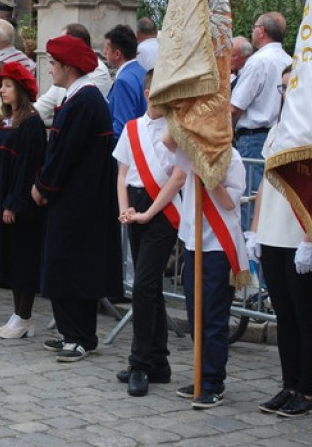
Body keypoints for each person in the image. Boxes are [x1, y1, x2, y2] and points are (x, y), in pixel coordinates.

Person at [31, 34, 121, 362]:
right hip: (76, 198)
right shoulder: (80, 98)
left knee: (69, 265)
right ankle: (74, 331)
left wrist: (42, 185)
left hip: (79, 200)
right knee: (67, 264)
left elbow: (64, 153)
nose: (50, 70)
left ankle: (79, 335)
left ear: (68, 67)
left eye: (54, 64)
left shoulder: (84, 101)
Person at [247, 67, 312, 418]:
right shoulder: (278, 127)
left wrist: (310, 238)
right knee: (284, 315)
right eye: (283, 86)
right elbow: (264, 181)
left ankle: (307, 389)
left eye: (293, 85)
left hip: (299, 233)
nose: (286, 91)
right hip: (272, 231)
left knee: (304, 315)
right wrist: (256, 230)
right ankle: (289, 383)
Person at [113, 70, 187, 397]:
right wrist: (125, 208)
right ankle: (159, 361)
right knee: (150, 286)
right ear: (146, 94)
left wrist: (148, 212)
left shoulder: (177, 130)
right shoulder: (132, 129)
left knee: (143, 285)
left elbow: (178, 179)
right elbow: (122, 174)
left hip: (163, 209)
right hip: (137, 203)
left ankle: (139, 361)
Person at [175, 142, 247, 410]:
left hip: (218, 245)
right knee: (195, 315)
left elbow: (230, 202)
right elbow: (169, 141)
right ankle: (199, 375)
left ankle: (213, 381)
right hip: (195, 243)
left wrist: (207, 176)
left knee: (214, 317)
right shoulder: (191, 153)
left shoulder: (232, 158)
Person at [0, 62, 47, 339]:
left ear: (21, 89)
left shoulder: (31, 124)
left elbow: (29, 168)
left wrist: (13, 202)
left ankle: (25, 315)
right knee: (7, 258)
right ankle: (17, 313)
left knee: (22, 260)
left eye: (8, 86)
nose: (3, 91)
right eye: (1, 85)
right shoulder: (2, 121)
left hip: (17, 205)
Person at [231, 12, 291, 230]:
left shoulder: (257, 62)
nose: (252, 30)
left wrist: (228, 133)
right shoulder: (288, 60)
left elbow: (236, 106)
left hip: (253, 139)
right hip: (278, 136)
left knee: (251, 200)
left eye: (254, 26)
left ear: (262, 31)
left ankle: (252, 258)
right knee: (269, 201)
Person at [34, 24, 112, 127]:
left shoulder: (93, 77)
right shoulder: (66, 77)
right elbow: (43, 106)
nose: (50, 71)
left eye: (63, 43)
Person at [104, 24, 147, 139]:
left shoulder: (123, 81)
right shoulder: (142, 72)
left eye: (107, 49)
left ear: (117, 54)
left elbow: (122, 126)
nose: (104, 52)